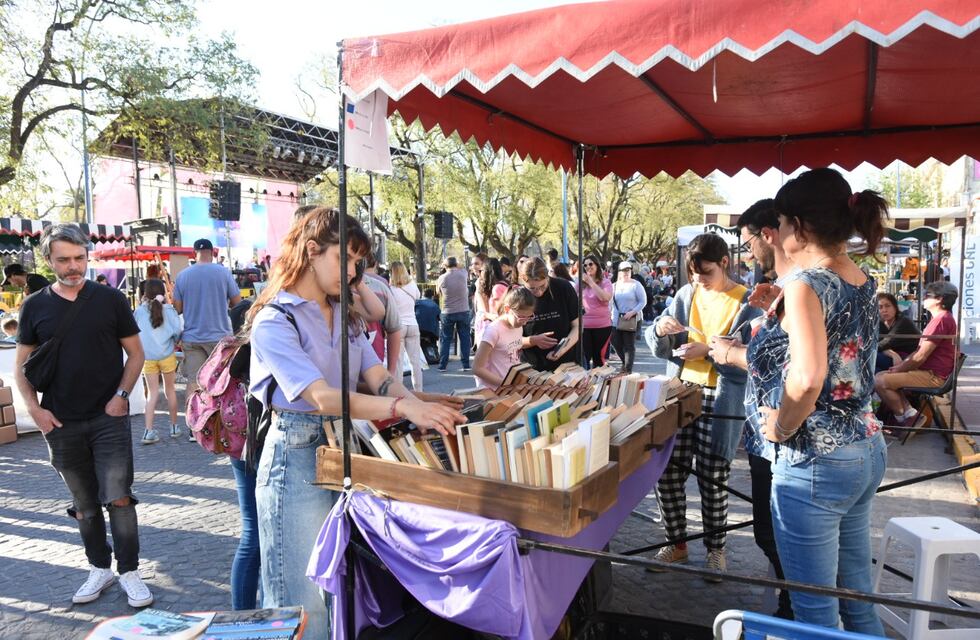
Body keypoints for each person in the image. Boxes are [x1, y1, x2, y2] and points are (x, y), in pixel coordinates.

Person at [247, 207, 465, 638]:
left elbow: (379, 379)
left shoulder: (344, 314)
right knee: (298, 595)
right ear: (311, 251)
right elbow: (321, 397)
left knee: (336, 587)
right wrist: (406, 409)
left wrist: (424, 404)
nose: (351, 272)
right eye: (344, 259)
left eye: (356, 263)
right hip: (294, 457)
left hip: (346, 453)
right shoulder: (275, 319)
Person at [742, 168, 888, 633]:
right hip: (863, 446)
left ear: (799, 226)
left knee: (815, 614)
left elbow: (807, 379)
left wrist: (780, 427)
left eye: (782, 222)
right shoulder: (858, 276)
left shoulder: (808, 283)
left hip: (815, 458)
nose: (779, 232)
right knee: (857, 600)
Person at [14, 223, 152, 608]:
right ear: (49, 260)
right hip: (59, 423)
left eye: (79, 258)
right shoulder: (35, 306)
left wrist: (122, 396)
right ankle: (99, 568)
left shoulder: (110, 300)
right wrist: (35, 410)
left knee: (119, 497)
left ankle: (129, 571)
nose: (74, 267)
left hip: (108, 417)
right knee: (85, 505)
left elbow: (136, 354)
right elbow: (21, 368)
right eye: (64, 260)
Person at [649, 233, 759, 581]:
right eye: (693, 274)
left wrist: (707, 351)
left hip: (720, 396)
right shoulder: (685, 294)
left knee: (714, 476)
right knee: (668, 471)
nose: (698, 280)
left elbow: (750, 360)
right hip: (681, 390)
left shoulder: (747, 303)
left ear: (724, 263)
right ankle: (677, 543)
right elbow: (656, 340)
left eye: (705, 273)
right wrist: (661, 330)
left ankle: (716, 549)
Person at [707, 198, 794, 619]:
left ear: (768, 234)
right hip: (775, 435)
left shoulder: (806, 286)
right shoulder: (776, 287)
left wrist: (731, 354)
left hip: (786, 439)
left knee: (777, 536)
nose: (748, 253)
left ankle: (795, 608)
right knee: (771, 535)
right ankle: (793, 603)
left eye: (747, 243)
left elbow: (801, 368)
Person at [875, 281, 958, 426]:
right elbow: (918, 352)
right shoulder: (940, 319)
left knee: (879, 380)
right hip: (928, 372)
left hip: (933, 376)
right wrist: (900, 365)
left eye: (927, 295)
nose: (923, 298)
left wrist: (900, 368)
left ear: (939, 299)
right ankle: (910, 414)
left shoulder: (941, 321)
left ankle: (904, 420)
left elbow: (920, 356)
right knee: (881, 375)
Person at [173, 239, 242, 403]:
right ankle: (219, 422)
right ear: (213, 253)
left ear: (193, 253)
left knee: (194, 382)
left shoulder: (182, 276)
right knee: (220, 381)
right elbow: (237, 302)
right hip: (220, 339)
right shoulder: (223, 273)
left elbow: (177, 309)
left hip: (192, 338)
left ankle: (193, 422)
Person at [133, 279, 183, 443]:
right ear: (163, 292)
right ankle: (174, 426)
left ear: (144, 293)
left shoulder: (139, 312)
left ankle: (148, 431)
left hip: (147, 357)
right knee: (170, 391)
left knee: (152, 394)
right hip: (167, 354)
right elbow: (177, 332)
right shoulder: (169, 310)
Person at [519, 257, 580, 371]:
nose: (538, 292)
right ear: (523, 280)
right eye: (532, 288)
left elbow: (578, 326)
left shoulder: (563, 287)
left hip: (566, 364)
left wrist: (561, 350)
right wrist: (533, 340)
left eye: (542, 286)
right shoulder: (518, 296)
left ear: (547, 277)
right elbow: (510, 340)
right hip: (533, 367)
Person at [473, 287, 536, 389]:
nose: (524, 322)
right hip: (494, 390)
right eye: (521, 317)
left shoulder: (518, 327)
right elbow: (477, 368)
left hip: (510, 387)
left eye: (529, 317)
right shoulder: (493, 330)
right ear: (507, 309)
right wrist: (505, 384)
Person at [363, 254, 402, 377]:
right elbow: (393, 328)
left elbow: (393, 326)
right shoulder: (382, 284)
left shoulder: (379, 286)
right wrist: (391, 371)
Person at [389, 261, 424, 391]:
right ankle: (419, 391)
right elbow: (418, 297)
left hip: (399, 326)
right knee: (415, 362)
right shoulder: (412, 285)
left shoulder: (391, 289)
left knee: (398, 362)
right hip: (413, 324)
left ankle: (399, 391)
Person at [577, 254, 613, 369]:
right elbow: (572, 298)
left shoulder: (605, 282)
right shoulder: (580, 284)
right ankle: (587, 384)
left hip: (602, 326)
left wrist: (591, 282)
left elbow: (605, 298)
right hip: (585, 326)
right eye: (585, 265)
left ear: (597, 265)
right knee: (585, 358)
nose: (588, 267)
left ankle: (599, 384)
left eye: (590, 264)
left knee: (599, 359)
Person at [610, 262, 647, 374]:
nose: (626, 273)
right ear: (619, 272)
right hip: (616, 319)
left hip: (631, 319)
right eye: (624, 270)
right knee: (615, 342)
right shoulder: (614, 285)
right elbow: (610, 303)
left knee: (628, 345)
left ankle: (627, 370)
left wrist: (632, 312)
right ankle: (624, 363)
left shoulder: (636, 285)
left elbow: (643, 302)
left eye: (628, 270)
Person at [436, 256, 472, 371]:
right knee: (465, 337)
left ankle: (442, 365)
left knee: (446, 339)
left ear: (445, 266)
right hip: (463, 310)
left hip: (447, 311)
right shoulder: (463, 274)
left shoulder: (441, 278)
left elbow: (438, 292)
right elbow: (462, 267)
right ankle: (466, 365)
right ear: (456, 265)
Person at [875, 292, 920, 373]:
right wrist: (892, 354)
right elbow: (879, 343)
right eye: (880, 307)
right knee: (872, 370)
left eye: (888, 306)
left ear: (895, 307)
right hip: (895, 357)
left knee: (870, 357)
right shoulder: (881, 323)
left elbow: (884, 344)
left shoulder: (904, 321)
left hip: (910, 359)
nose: (884, 310)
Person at [474, 258, 510, 347]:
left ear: (486, 271)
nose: (480, 273)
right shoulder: (503, 284)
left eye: (481, 270)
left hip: (498, 332)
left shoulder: (498, 288)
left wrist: (486, 315)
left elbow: (499, 315)